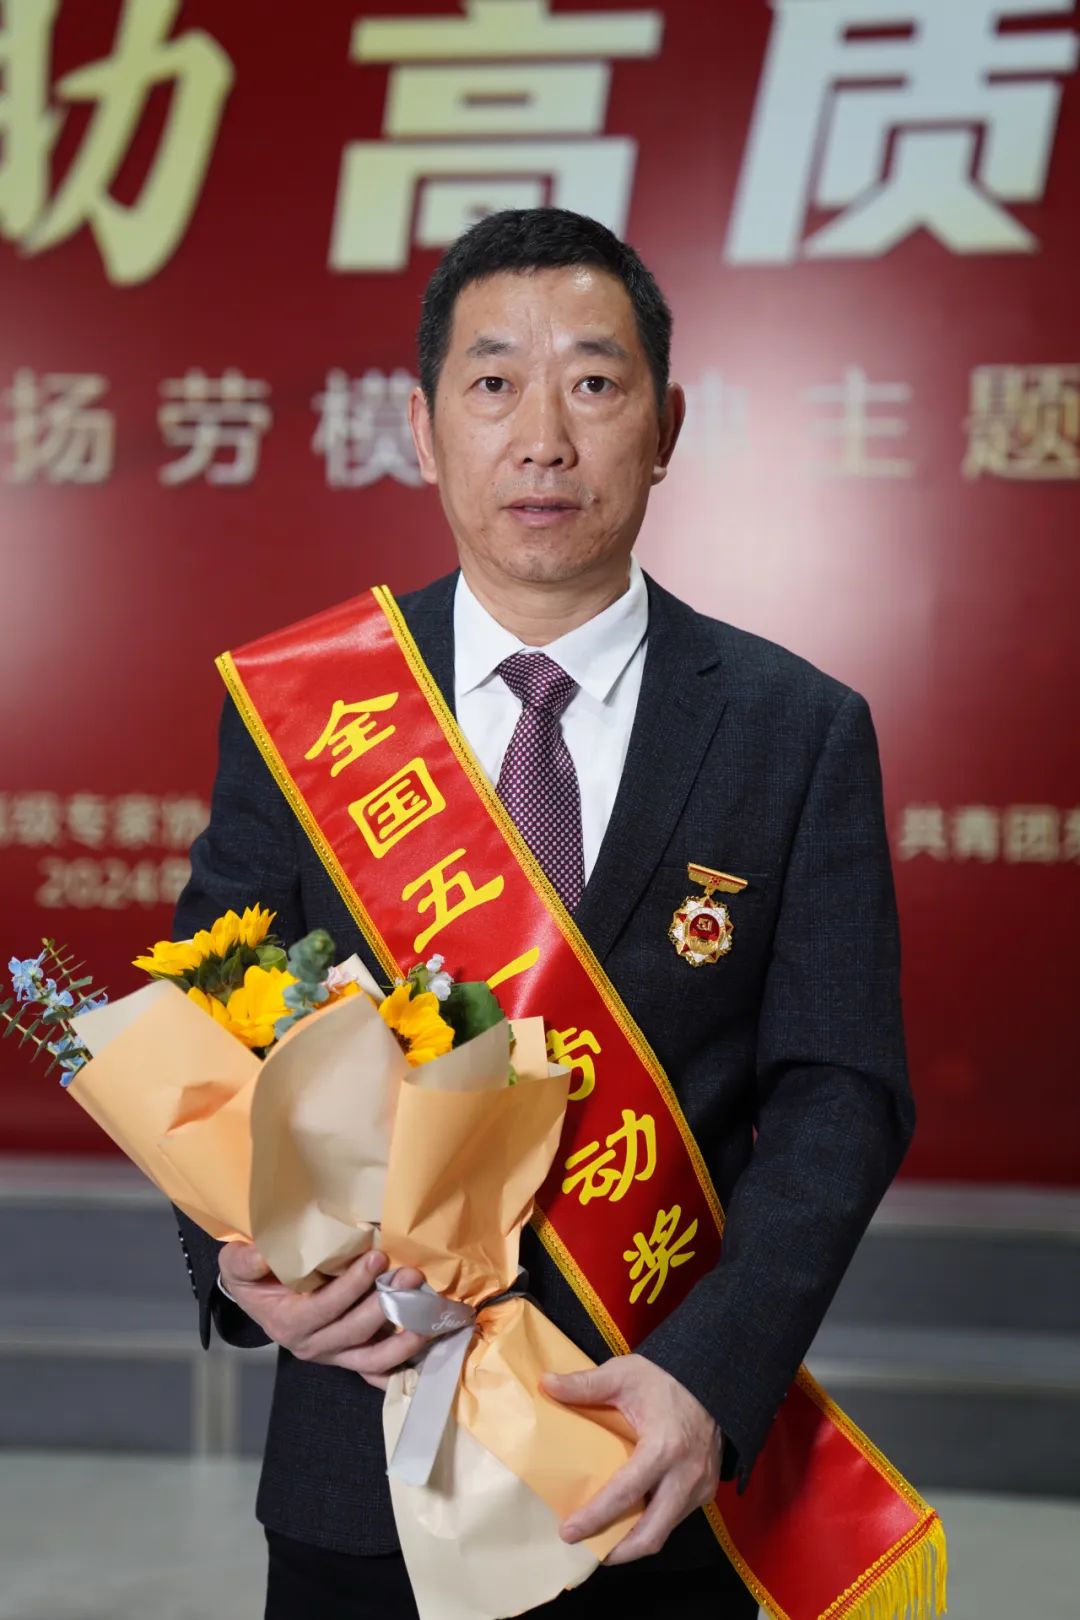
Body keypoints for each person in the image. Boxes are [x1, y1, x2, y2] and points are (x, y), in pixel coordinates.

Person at [174, 206, 914, 1620]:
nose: (543, 439)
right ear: (421, 426)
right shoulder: (307, 706)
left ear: (666, 424)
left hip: (649, 1456)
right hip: (357, 1468)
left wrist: (711, 1376)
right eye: (493, 383)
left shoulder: (796, 728)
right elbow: (214, 1035)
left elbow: (843, 1091)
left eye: (594, 381)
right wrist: (234, 1263)